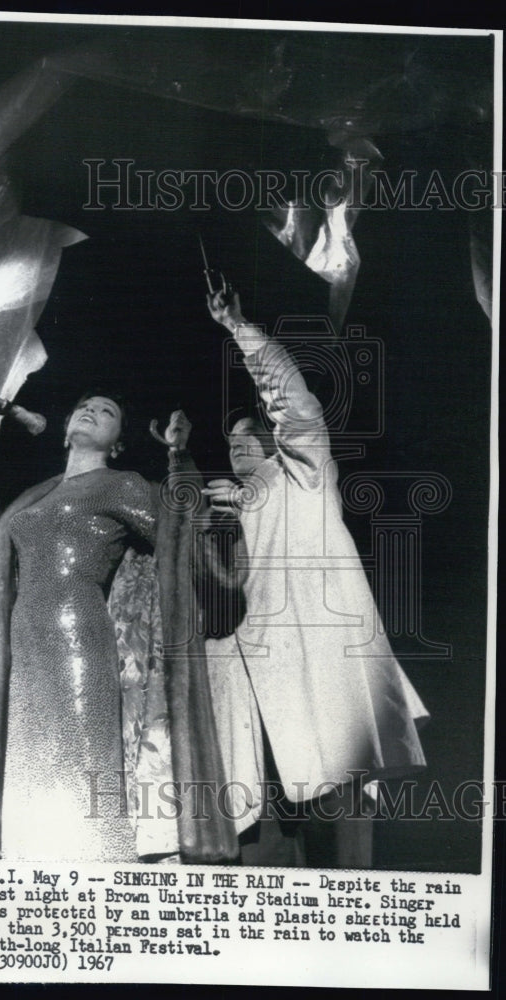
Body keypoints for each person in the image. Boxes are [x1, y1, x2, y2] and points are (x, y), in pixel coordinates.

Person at [0, 393, 237, 863]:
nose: (92, 412)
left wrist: (178, 457)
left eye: (107, 412)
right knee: (31, 763)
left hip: (77, 638)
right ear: (65, 429)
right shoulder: (33, 495)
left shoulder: (120, 484)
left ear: (118, 443)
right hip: (21, 645)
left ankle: (100, 872)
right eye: (85, 407)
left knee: (81, 759)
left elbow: (179, 532)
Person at [201, 291, 429, 868]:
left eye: (250, 436)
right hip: (257, 692)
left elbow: (293, 402)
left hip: (324, 681)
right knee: (270, 850)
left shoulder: (303, 472)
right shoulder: (231, 513)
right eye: (230, 444)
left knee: (343, 851)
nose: (238, 447)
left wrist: (239, 327)